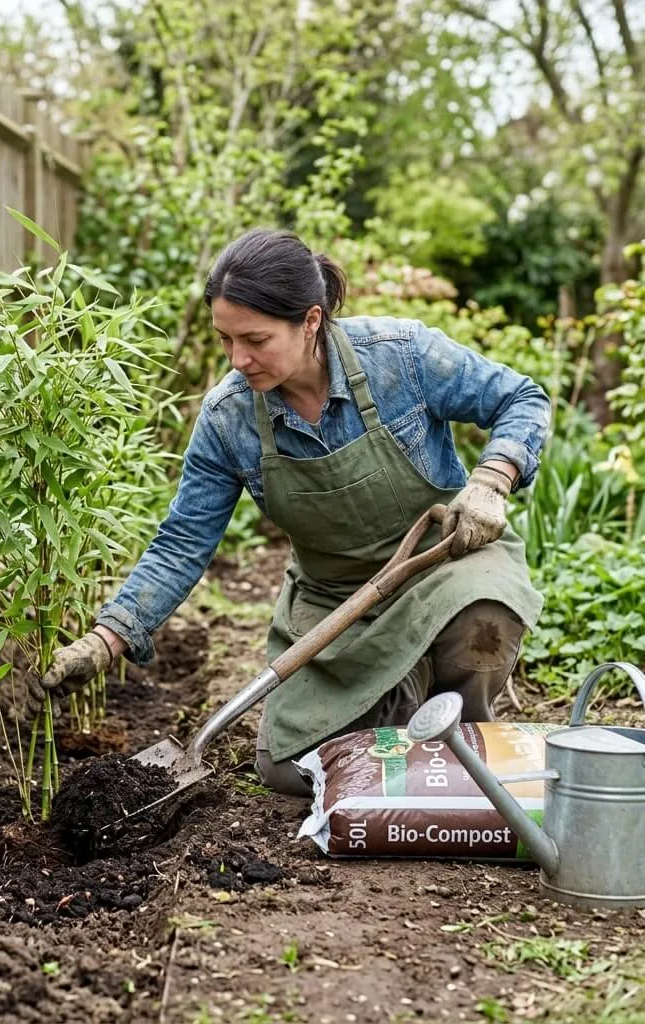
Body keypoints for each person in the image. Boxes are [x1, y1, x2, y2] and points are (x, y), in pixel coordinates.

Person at [38, 228, 549, 795]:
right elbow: (183, 541)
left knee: (484, 622)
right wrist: (110, 636)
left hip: (442, 567)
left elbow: (521, 398)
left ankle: (467, 737)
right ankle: (409, 709)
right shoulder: (228, 419)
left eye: (255, 340)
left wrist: (492, 477)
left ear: (310, 321)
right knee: (287, 766)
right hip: (337, 600)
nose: (238, 359)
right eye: (225, 340)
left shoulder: (400, 357)